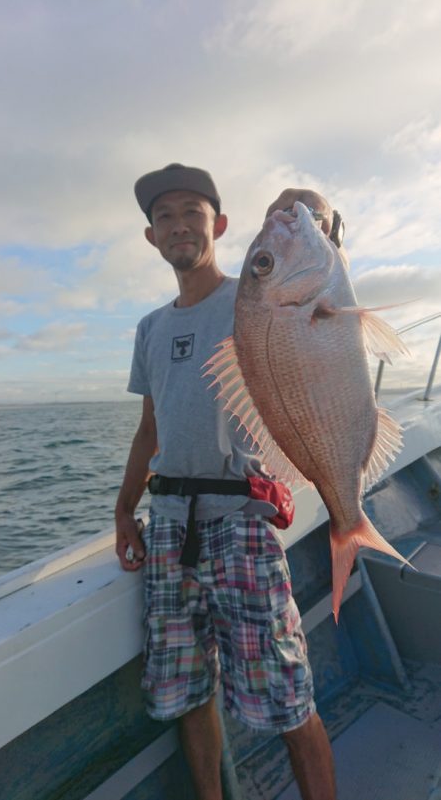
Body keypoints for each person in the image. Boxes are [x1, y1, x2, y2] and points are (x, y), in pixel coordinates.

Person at [115, 163, 337, 800]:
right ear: (152, 238)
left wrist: (305, 205)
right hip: (167, 532)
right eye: (165, 216)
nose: (179, 224)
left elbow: (312, 220)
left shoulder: (257, 297)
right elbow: (149, 430)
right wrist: (125, 509)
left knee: (289, 696)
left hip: (241, 524)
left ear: (220, 224)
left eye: (192, 211)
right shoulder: (150, 329)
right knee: (188, 692)